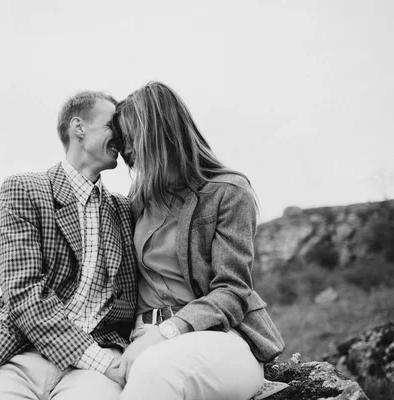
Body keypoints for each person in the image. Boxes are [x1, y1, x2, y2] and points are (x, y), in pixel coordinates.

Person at [0, 91, 138, 400]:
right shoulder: (24, 190)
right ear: (79, 128)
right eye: (111, 124)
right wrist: (98, 360)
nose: (122, 133)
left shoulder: (123, 209)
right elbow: (23, 292)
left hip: (97, 365)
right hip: (24, 352)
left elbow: (131, 298)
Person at [111, 81, 285, 400]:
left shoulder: (228, 192)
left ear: (158, 132)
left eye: (132, 139)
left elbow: (232, 291)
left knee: (155, 373)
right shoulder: (137, 201)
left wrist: (167, 332)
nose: (127, 151)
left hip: (219, 336)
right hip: (140, 336)